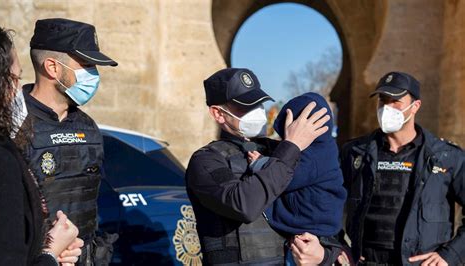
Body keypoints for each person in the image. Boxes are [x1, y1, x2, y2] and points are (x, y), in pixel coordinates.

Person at [185, 68, 336, 265]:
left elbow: (319, 200)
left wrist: (326, 253)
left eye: (258, 103)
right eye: (245, 106)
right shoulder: (206, 160)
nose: (256, 111)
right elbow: (243, 205)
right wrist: (292, 147)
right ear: (218, 113)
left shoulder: (277, 149)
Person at [16, 18, 118, 265]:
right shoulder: (12, 121)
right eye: (86, 64)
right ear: (52, 67)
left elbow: (92, 198)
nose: (93, 74)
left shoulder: (88, 127)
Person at [341, 71, 465, 265]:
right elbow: (325, 201)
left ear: (415, 106)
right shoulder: (355, 153)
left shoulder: (446, 157)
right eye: (383, 100)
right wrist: (337, 245)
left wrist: (450, 255)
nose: (386, 108)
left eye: (395, 101)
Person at [0, 23, 83, 266]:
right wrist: (50, 254)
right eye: (14, 78)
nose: (16, 89)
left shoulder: (88, 127)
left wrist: (45, 245)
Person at [247, 92, 349, 264]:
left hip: (311, 230)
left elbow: (284, 178)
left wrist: (260, 164)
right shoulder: (322, 147)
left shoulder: (316, 155)